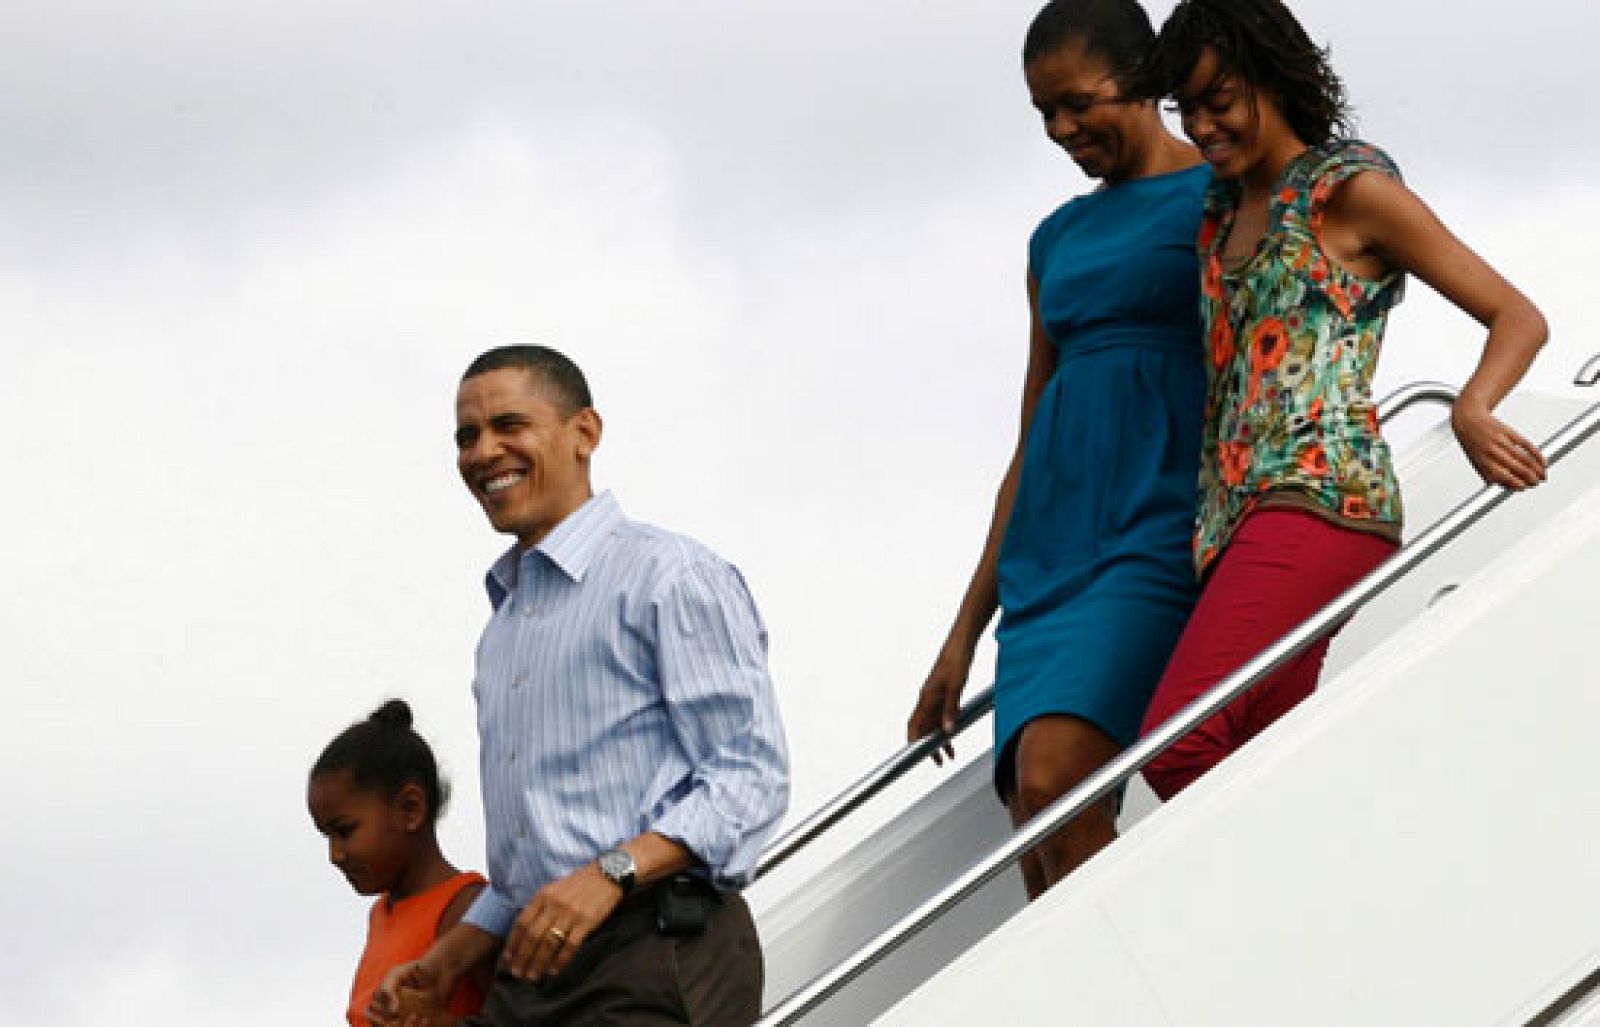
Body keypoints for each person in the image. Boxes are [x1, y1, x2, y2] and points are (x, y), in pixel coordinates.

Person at [1131, 0, 1548, 799]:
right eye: (1188, 108)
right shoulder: (1216, 215)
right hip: (1232, 522)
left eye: (1219, 101)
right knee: (1263, 763)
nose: (1204, 125)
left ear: (1273, 79)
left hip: (1321, 498)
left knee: (1179, 743)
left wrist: (1473, 407)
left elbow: (1518, 317)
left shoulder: (1348, 192)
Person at [370, 344, 790, 1026]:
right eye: (467, 436)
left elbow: (749, 777)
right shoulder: (500, 631)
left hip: (655, 945)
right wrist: (447, 961)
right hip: (531, 968)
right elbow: (533, 866)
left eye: (510, 424)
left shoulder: (669, 574)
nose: (483, 452)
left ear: (584, 433)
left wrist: (610, 874)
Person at [906, 0, 1209, 898]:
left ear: (1146, 80)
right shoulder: (1056, 240)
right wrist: (965, 632)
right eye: (1045, 112)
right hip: (1049, 560)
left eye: (1079, 102)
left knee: (1054, 779)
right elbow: (1031, 432)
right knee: (1038, 837)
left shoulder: (1219, 193)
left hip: (1155, 530)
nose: (1063, 128)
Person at [309, 699, 491, 1027]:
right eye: (326, 836)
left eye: (345, 831)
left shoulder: (471, 909)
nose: (335, 855)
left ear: (410, 809)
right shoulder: (380, 913)